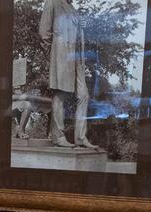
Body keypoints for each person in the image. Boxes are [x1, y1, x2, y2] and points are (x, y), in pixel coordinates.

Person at [39, 0, 97, 149]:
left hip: (77, 57)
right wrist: (54, 55)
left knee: (83, 95)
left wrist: (81, 26)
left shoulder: (72, 8)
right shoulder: (52, 2)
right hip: (61, 55)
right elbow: (44, 33)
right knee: (61, 94)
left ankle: (80, 137)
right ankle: (58, 136)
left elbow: (75, 33)